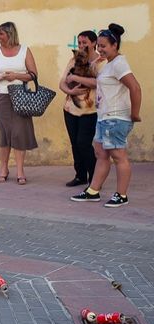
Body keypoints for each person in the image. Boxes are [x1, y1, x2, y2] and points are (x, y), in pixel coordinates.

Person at [71, 23, 141, 207]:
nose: (99, 49)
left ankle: (122, 195)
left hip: (116, 117)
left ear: (114, 45)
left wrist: (135, 113)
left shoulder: (119, 64)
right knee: (101, 153)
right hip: (104, 117)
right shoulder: (108, 64)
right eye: (99, 45)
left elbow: (135, 87)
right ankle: (93, 191)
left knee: (118, 156)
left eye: (103, 46)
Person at [0, 21, 38, 185]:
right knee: (5, 133)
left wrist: (16, 76)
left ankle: (20, 170)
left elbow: (33, 74)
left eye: (1, 34)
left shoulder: (25, 50)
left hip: (21, 97)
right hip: (2, 98)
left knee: (19, 133)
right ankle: (4, 168)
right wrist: (0, 78)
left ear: (9, 34)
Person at [60, 31, 105, 187]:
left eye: (84, 42)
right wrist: (70, 91)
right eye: (79, 43)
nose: (81, 46)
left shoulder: (102, 62)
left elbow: (98, 83)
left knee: (83, 143)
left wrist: (75, 78)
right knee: (75, 144)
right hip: (70, 108)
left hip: (90, 110)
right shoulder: (74, 59)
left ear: (93, 43)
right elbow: (62, 82)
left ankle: (94, 177)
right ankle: (80, 175)